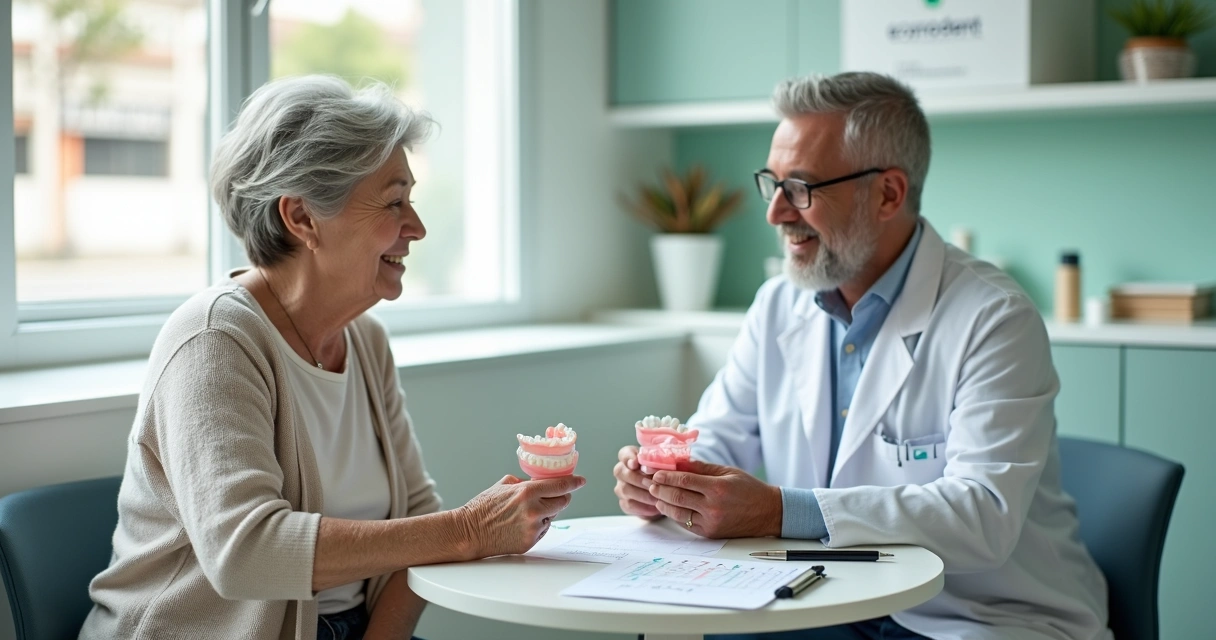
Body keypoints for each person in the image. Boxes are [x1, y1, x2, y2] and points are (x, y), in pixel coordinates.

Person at [80, 75, 584, 640]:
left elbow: (415, 517)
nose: (417, 228)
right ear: (301, 219)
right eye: (393, 202)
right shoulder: (213, 340)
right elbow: (245, 553)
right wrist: (469, 531)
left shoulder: (365, 340)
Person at [613, 72, 1110, 640]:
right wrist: (669, 482)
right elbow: (719, 439)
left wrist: (778, 511)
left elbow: (982, 516)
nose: (776, 213)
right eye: (772, 184)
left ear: (888, 194)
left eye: (801, 188)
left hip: (974, 614)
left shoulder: (993, 317)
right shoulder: (778, 304)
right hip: (823, 596)